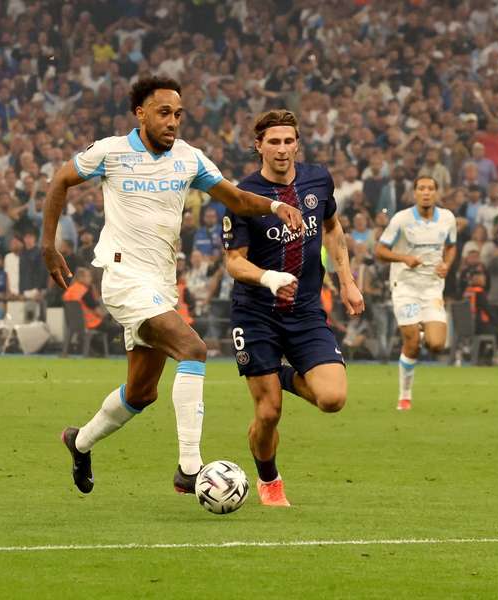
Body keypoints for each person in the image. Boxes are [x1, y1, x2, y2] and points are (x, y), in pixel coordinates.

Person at [42, 76, 303, 496]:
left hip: (162, 283)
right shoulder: (111, 151)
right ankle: (190, 467)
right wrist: (49, 246)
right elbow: (59, 181)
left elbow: (235, 199)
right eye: (164, 112)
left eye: (178, 114)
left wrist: (275, 204)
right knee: (193, 348)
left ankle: (80, 441)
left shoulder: (189, 159)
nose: (172, 122)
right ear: (140, 113)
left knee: (142, 392)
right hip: (124, 277)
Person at [223, 109, 364, 507]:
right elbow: (234, 262)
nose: (282, 149)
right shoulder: (244, 195)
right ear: (258, 146)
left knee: (333, 399)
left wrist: (347, 281)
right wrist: (270, 278)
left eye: (288, 141)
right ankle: (270, 480)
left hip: (305, 313)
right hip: (256, 314)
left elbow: (333, 227)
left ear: (297, 143)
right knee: (268, 413)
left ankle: (280, 376)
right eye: (273, 142)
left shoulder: (318, 180)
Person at [375, 176, 457, 410]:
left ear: (437, 193)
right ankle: (405, 396)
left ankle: (422, 330)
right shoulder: (402, 219)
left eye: (430, 188)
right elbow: (380, 251)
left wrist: (447, 265)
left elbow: (451, 246)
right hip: (406, 286)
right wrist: (404, 258)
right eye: (421, 188)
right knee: (411, 341)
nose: (426, 193)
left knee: (437, 344)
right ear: (415, 193)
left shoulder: (448, 219)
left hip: (432, 288)